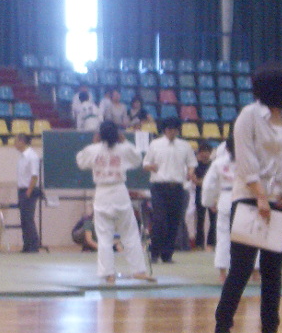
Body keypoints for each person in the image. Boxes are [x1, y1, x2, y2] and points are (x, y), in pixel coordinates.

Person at [213, 63, 282, 333]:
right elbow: (245, 160)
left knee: (273, 270)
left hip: (280, 201)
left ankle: (270, 330)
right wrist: (259, 196)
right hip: (249, 198)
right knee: (242, 268)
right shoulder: (249, 116)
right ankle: (222, 328)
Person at [76, 121, 155, 283]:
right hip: (119, 192)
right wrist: (124, 140)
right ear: (118, 134)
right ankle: (139, 270)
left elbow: (81, 161)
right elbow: (137, 159)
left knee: (104, 237)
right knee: (130, 234)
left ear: (99, 135)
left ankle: (108, 274)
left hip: (102, 194)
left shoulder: (93, 150)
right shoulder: (124, 148)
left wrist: (94, 143)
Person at [142, 117, 198, 263]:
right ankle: (154, 253)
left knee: (174, 222)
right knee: (159, 220)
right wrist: (151, 167)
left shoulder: (185, 146)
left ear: (177, 130)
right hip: (159, 187)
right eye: (168, 129)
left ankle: (167, 255)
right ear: (164, 130)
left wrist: (190, 172)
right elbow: (145, 163)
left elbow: (192, 163)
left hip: (178, 187)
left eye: (174, 129)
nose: (171, 132)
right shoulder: (155, 144)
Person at [202, 134, 237, 281]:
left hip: (225, 198)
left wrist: (209, 202)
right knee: (250, 238)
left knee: (223, 236)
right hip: (246, 199)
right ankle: (254, 273)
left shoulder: (219, 163)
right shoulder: (252, 162)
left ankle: (223, 273)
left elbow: (208, 185)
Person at [14, 133, 41, 253]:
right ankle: (27, 245)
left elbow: (34, 176)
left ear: (22, 141)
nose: (14, 143)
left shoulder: (32, 156)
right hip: (22, 190)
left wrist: (29, 192)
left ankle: (34, 246)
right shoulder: (22, 156)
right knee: (24, 219)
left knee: (29, 219)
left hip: (28, 190)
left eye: (16, 140)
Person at [193, 142, 214, 249]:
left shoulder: (213, 164)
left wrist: (203, 181)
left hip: (212, 194)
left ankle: (211, 243)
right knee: (200, 220)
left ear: (210, 153)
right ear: (199, 153)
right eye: (202, 152)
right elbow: (195, 180)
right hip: (199, 194)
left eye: (207, 152)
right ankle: (199, 244)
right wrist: (205, 182)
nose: (205, 154)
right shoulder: (195, 165)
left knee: (213, 219)